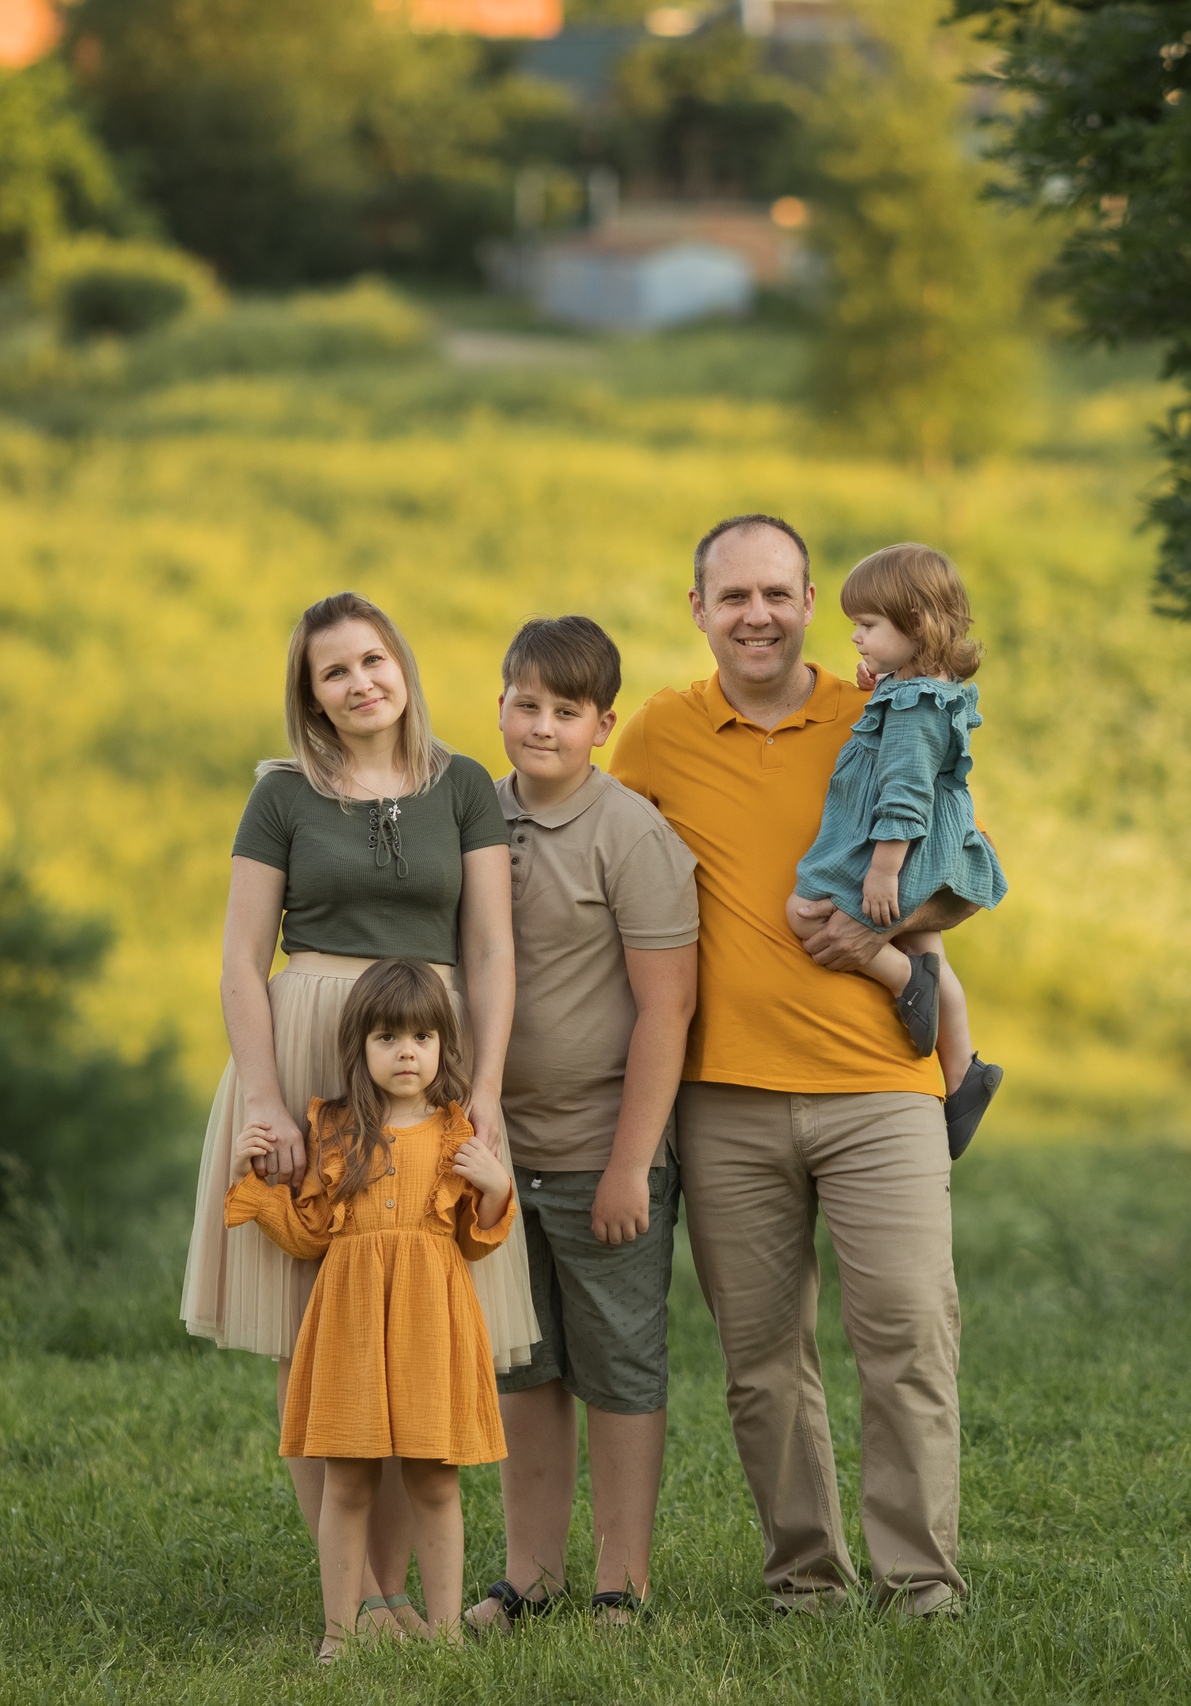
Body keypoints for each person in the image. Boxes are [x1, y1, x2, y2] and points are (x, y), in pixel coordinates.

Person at [608, 513, 975, 1618]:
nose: (756, 615)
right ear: (699, 609)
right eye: (733, 597)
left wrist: (879, 951)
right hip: (724, 1097)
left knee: (907, 1330)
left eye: (777, 593)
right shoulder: (659, 736)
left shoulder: (882, 705)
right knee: (762, 1360)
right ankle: (805, 1579)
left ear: (811, 601)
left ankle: (921, 1583)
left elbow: (956, 868)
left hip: (879, 1087)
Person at [176, 590, 536, 1639]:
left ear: (403, 666)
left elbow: (492, 951)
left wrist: (490, 1097)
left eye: (372, 659)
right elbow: (242, 959)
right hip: (308, 1040)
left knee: (421, 1322)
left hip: (431, 1042)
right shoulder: (280, 795)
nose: (359, 681)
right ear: (312, 696)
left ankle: (403, 1583)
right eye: (333, 671)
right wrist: (265, 1098)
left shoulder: (463, 784)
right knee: (316, 1331)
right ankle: (367, 1598)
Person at [462, 617, 699, 1632]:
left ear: (604, 723)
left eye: (567, 711)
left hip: (604, 1153)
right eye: (526, 702)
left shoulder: (631, 834)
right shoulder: (472, 817)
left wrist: (628, 1166)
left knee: (618, 1369)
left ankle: (622, 1582)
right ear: (501, 703)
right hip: (497, 1157)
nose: (542, 725)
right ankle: (532, 1572)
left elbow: (666, 1008)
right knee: (524, 1366)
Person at [226, 959, 517, 1657]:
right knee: (347, 1479)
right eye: (387, 1037)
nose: (407, 1051)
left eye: (422, 1037)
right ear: (360, 1047)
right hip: (351, 1325)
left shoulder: (457, 1135)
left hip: (431, 1327)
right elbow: (308, 1234)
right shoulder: (333, 1128)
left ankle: (446, 1637)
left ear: (444, 1046)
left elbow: (477, 1242)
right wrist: (254, 1179)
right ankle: (340, 1636)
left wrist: (499, 1187)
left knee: (435, 1480)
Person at [785, 543, 1006, 1155]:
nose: (854, 637)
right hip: (933, 839)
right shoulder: (927, 685)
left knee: (803, 912)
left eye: (867, 626)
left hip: (902, 845)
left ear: (915, 626)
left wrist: (883, 871)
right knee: (928, 944)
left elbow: (905, 792)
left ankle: (905, 982)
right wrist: (881, 678)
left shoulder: (912, 711)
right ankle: (963, 1073)